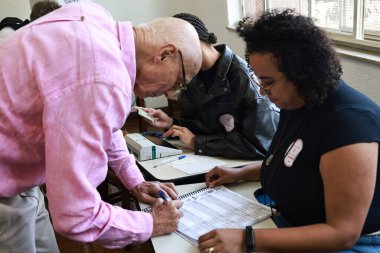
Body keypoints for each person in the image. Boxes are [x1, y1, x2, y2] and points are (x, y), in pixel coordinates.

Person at [0, 2, 202, 252]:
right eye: (179, 81)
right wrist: (150, 223)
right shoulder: (103, 76)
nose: (171, 93)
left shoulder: (97, 19)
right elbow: (76, 214)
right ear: (164, 54)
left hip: (20, 174)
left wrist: (134, 180)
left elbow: (102, 120)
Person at [199, 9, 380, 253]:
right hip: (299, 222)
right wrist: (240, 172)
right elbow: (291, 162)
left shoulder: (349, 125)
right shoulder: (296, 101)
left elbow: (343, 233)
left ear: (301, 72)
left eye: (269, 82)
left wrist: (247, 240)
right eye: (259, 80)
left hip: (347, 242)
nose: (263, 91)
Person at [141, 13, 278, 160]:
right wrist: (172, 123)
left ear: (191, 43)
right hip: (205, 156)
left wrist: (196, 142)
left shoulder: (245, 80)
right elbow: (207, 127)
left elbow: (260, 145)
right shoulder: (192, 76)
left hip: (237, 164)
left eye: (169, 54)